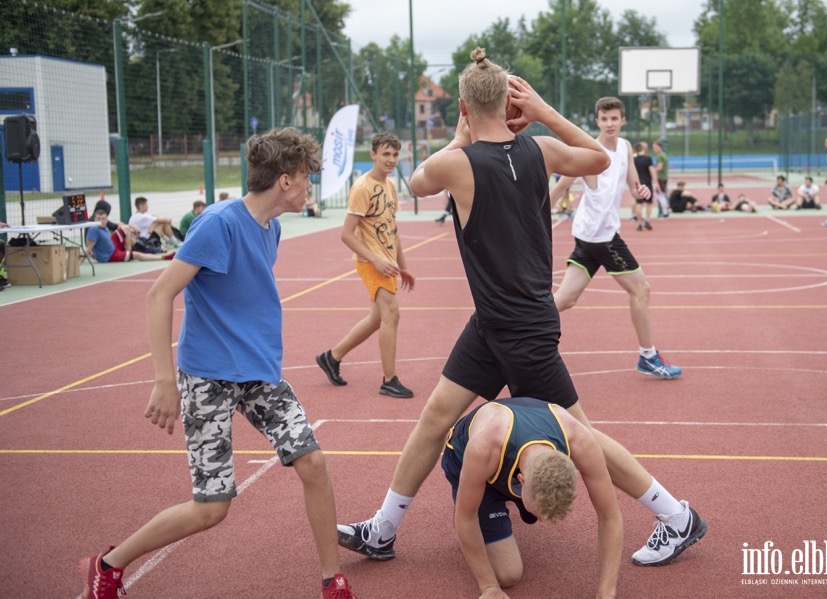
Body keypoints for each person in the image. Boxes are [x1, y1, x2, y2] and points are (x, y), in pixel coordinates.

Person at [336, 49, 705, 573]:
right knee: (436, 417)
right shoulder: (543, 149)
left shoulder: (455, 162)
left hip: (523, 330)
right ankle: (384, 527)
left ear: (462, 106)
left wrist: (462, 135)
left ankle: (675, 514)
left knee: (582, 439)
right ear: (515, 102)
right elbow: (600, 159)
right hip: (495, 322)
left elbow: (418, 181)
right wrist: (544, 111)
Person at [77, 128, 359, 599]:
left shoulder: (273, 227)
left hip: (259, 374)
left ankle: (333, 580)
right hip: (207, 377)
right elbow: (159, 293)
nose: (311, 185)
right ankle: (107, 565)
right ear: (285, 180)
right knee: (212, 508)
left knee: (313, 462)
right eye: (307, 177)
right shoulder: (219, 224)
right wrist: (165, 382)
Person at [550, 96, 682, 380]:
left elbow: (634, 187)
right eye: (604, 119)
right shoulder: (589, 152)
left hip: (592, 234)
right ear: (597, 121)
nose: (609, 123)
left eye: (614, 118)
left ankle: (519, 329)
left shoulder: (624, 148)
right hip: (602, 237)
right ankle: (648, 356)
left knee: (565, 299)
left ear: (623, 121)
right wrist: (534, 215)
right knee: (641, 290)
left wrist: (641, 193)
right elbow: (562, 184)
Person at [442, 397, 622, 599]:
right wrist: (489, 587)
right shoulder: (484, 447)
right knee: (508, 575)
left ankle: (508, 518)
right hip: (466, 460)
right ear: (521, 481)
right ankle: (494, 510)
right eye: (541, 513)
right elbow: (466, 517)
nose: (546, 522)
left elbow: (610, 516)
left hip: (516, 455)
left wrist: (607, 591)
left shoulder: (580, 440)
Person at [316, 131, 416, 399]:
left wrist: (402, 264)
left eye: (395, 154)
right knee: (392, 315)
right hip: (370, 261)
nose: (391, 159)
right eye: (386, 154)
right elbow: (346, 234)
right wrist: (376, 260)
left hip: (386, 261)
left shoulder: (390, 186)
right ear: (373, 154)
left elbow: (392, 231)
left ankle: (332, 357)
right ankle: (389, 380)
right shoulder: (362, 187)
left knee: (377, 319)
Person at [85, 209, 174, 262]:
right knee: (137, 255)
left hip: (114, 247)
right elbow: (88, 249)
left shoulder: (104, 228)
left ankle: (128, 248)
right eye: (98, 219)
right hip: (112, 256)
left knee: (125, 228)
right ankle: (163, 257)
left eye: (103, 218)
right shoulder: (94, 229)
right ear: (94, 219)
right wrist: (80, 260)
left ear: (106, 219)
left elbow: (98, 245)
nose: (101, 220)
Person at [632, 141, 658, 231]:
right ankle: (647, 220)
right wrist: (656, 182)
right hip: (647, 183)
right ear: (643, 149)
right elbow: (652, 171)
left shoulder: (633, 159)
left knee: (639, 203)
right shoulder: (648, 159)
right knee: (649, 203)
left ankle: (639, 223)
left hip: (638, 184)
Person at [652, 140, 670, 217]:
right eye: (653, 148)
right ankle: (665, 210)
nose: (654, 149)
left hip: (661, 177)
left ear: (660, 147)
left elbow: (660, 167)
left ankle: (665, 211)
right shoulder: (664, 155)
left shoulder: (660, 156)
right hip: (663, 176)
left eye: (656, 147)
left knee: (660, 194)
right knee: (661, 194)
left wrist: (652, 170)